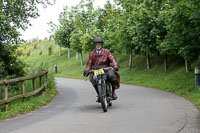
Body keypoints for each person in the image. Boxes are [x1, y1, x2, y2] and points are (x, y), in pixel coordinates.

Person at [83, 36, 120, 102]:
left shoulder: (107, 52)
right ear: (94, 45)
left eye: (99, 44)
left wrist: (115, 64)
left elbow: (112, 59)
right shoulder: (92, 54)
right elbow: (89, 63)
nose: (98, 45)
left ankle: (113, 92)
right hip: (97, 70)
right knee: (93, 79)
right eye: (96, 44)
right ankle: (99, 94)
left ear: (101, 44)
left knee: (112, 76)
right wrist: (87, 69)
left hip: (106, 69)